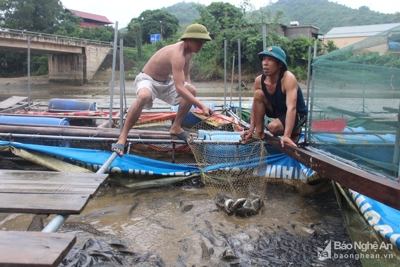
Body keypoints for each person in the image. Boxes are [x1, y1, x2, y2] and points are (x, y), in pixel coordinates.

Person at [112, 23, 214, 156]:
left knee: (192, 90)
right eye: (197, 41)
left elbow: (186, 77)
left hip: (165, 81)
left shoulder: (189, 53)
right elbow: (179, 88)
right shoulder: (177, 54)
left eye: (203, 42)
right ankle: (123, 136)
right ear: (187, 39)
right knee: (144, 96)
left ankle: (176, 127)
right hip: (148, 80)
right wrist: (201, 106)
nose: (201, 45)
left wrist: (191, 100)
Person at [241, 46, 308, 147]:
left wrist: (286, 136)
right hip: (278, 110)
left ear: (280, 64)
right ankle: (259, 132)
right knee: (258, 94)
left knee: (273, 127)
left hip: (297, 114)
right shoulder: (259, 80)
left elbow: (292, 108)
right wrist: (251, 129)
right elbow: (255, 105)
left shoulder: (288, 78)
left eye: (270, 59)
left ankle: (295, 130)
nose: (265, 63)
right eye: (264, 59)